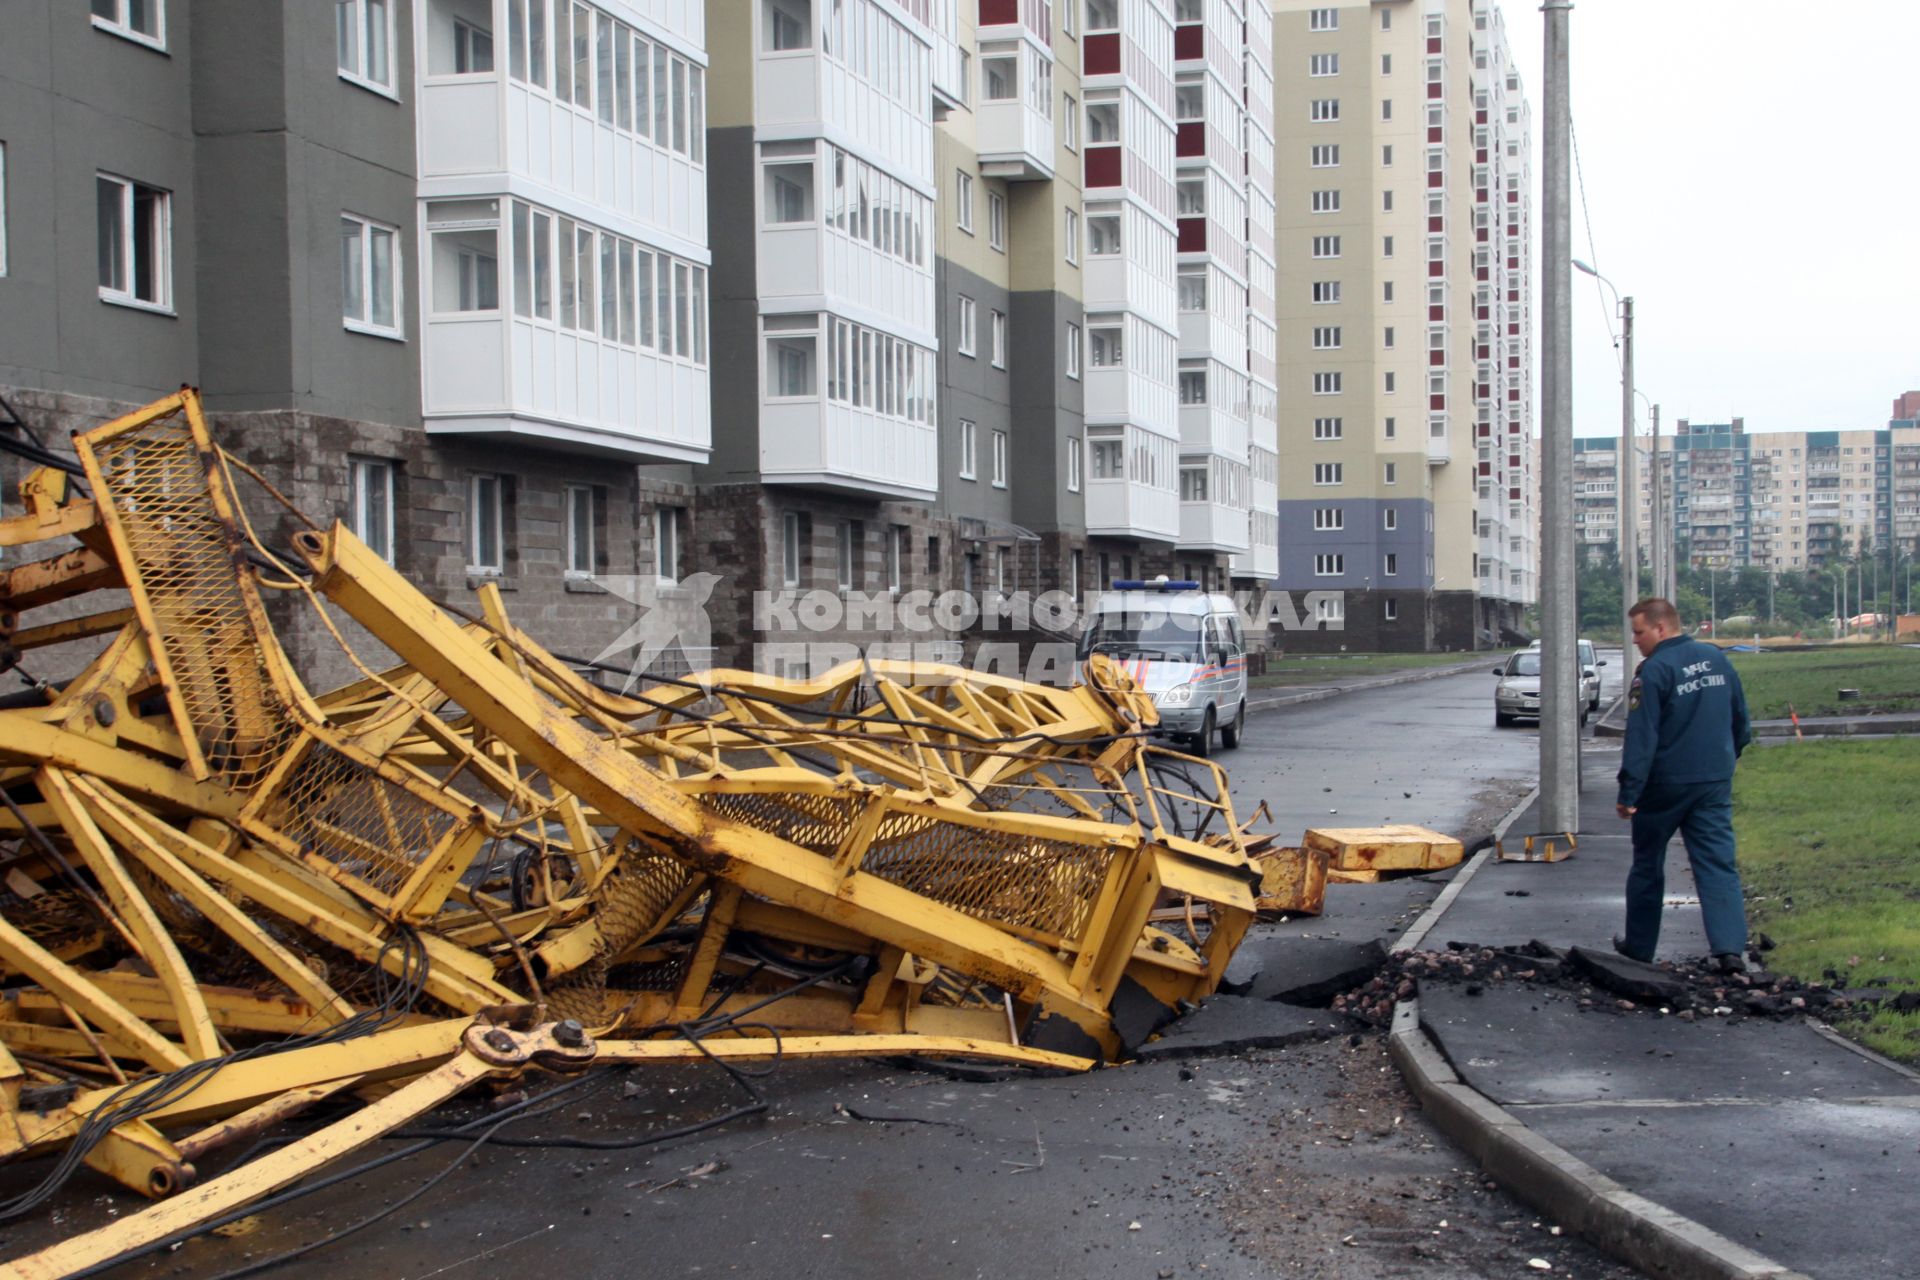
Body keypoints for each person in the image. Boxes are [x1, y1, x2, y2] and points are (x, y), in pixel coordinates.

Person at [1614, 597, 1754, 972]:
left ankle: (1640, 947)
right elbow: (1741, 719)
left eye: (1639, 632)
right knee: (1717, 863)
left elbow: (1641, 739)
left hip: (1664, 787)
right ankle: (1728, 950)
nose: (1635, 640)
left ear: (1661, 628)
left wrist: (1629, 793)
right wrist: (1725, 761)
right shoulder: (1718, 660)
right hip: (1712, 781)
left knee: (1647, 862)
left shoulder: (1654, 671)